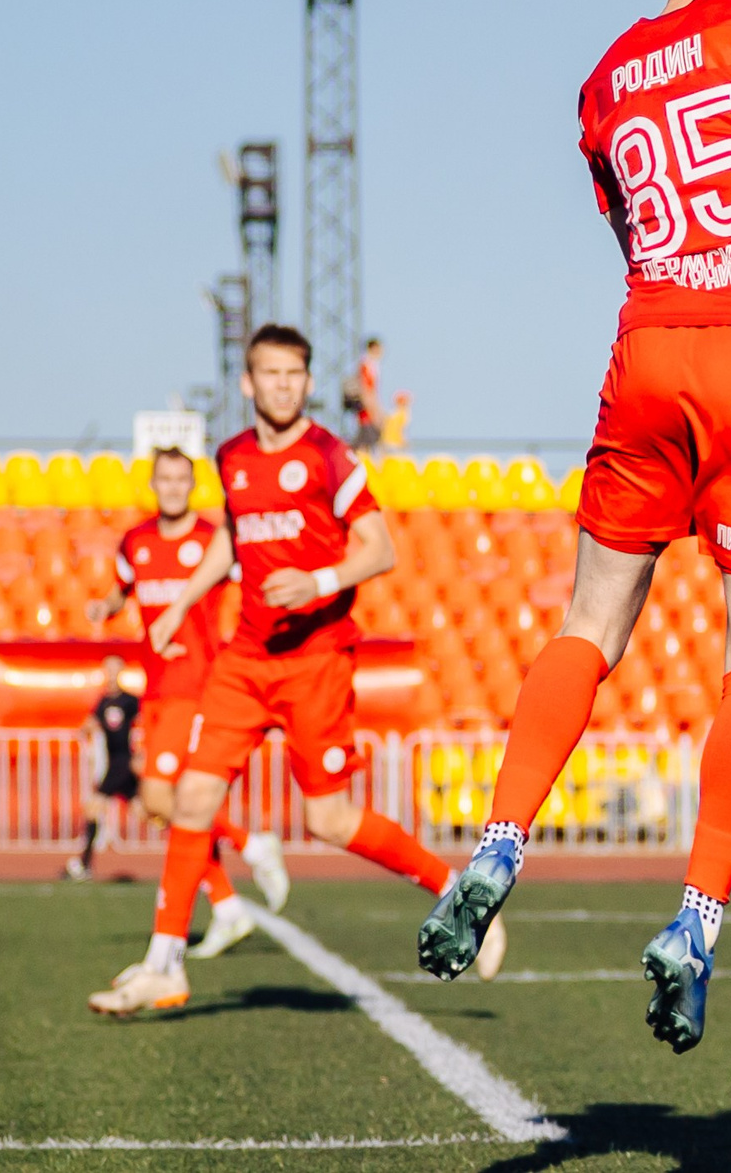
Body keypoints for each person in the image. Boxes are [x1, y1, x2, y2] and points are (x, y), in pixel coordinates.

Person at [416, 0, 731, 1054]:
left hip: (649, 346)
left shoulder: (608, 73)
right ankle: (697, 920)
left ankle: (501, 841)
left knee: (589, 622)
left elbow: (627, 227)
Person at [89, 324, 501, 1016]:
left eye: (293, 374)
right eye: (268, 374)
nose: (281, 385)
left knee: (330, 820)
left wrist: (319, 580)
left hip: (316, 660)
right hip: (244, 660)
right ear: (247, 383)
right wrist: (181, 602)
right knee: (188, 800)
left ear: (307, 383)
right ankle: (163, 962)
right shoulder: (232, 457)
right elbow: (230, 535)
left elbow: (380, 547)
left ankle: (453, 887)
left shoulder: (328, 456)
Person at [84, 445, 291, 957]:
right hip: (154, 688)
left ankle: (250, 847)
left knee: (159, 799)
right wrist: (104, 606)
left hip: (195, 686)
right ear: (153, 484)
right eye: (166, 479)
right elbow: (121, 591)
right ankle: (226, 905)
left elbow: (254, 586)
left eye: (182, 479)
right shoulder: (136, 541)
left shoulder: (210, 540)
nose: (174, 487)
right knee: (171, 808)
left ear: (192, 485)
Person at [67, 656, 142, 881]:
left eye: (114, 670)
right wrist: (85, 729)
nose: (110, 674)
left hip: (123, 763)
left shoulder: (130, 700)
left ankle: (84, 864)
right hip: (115, 763)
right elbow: (91, 722)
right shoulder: (104, 701)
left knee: (93, 807)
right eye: (107, 670)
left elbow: (148, 719)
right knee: (145, 810)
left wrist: (143, 752)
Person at [347, 338, 384, 452]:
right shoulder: (367, 367)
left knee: (365, 441)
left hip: (367, 410)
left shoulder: (370, 366)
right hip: (367, 412)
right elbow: (367, 391)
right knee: (366, 441)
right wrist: (375, 412)